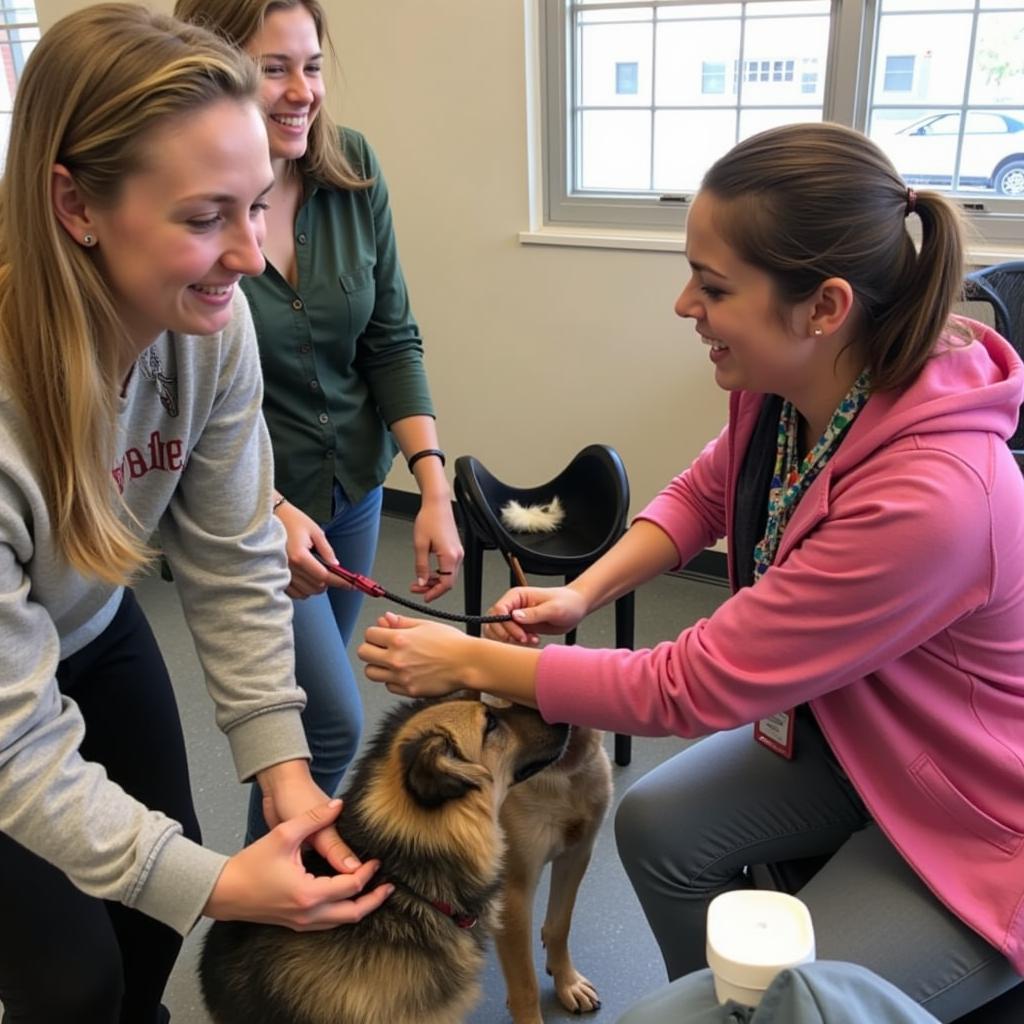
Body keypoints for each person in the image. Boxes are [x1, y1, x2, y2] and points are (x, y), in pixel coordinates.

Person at [357, 122, 1024, 1023]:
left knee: (774, 1002)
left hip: (975, 822)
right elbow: (705, 494)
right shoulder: (797, 385)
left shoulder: (935, 496)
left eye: (712, 286)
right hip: (858, 737)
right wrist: (582, 593)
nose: (684, 305)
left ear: (824, 306)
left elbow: (691, 686)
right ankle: (725, 1006)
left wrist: (470, 663)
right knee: (657, 827)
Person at [0, 7, 392, 1022]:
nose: (252, 257)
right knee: (68, 973)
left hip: (90, 621)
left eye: (256, 206)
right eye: (205, 217)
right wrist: (221, 882)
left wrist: (287, 775)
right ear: (76, 205)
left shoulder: (204, 335)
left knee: (153, 908)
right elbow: (14, 746)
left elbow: (229, 556)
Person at [171, 0, 463, 845]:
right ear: (212, 69)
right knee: (326, 724)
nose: (302, 92)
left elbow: (390, 337)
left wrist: (433, 484)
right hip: (250, 510)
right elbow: (169, 402)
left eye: (313, 65)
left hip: (354, 494)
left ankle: (284, 863)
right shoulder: (190, 210)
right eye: (274, 68)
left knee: (295, 739)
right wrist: (263, 509)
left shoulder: (351, 170)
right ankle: (274, 895)